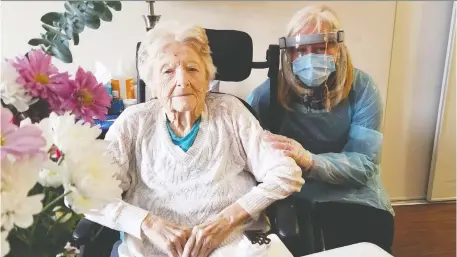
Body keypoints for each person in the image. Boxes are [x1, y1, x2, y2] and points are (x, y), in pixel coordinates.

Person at [85, 22, 304, 257]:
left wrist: (227, 220)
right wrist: (147, 223)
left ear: (207, 76)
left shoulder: (231, 112)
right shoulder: (133, 123)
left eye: (192, 69)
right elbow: (86, 193)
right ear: (152, 83)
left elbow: (286, 173)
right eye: (168, 71)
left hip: (235, 248)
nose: (182, 81)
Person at [247, 5, 395, 253]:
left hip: (354, 194)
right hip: (293, 193)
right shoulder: (269, 94)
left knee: (366, 241)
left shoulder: (363, 89)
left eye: (320, 48)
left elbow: (364, 164)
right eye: (301, 50)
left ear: (339, 49)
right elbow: (249, 152)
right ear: (288, 53)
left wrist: (310, 160)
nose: (310, 58)